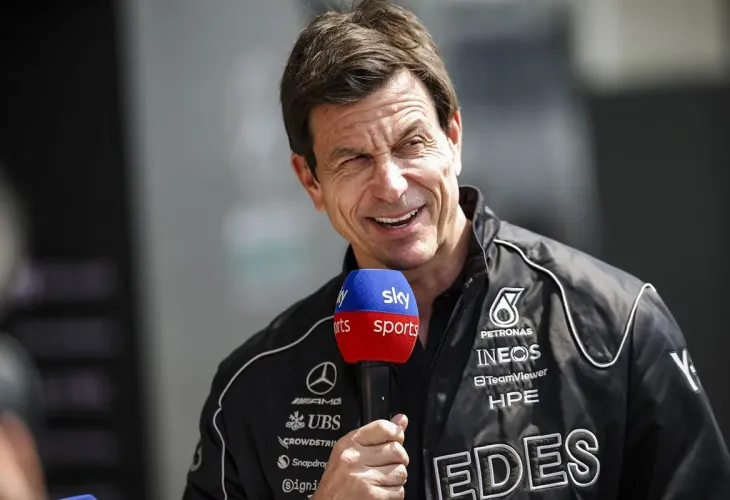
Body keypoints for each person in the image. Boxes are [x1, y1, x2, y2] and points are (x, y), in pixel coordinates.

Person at [183, 1, 730, 498]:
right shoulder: (253, 390)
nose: (391, 185)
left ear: (453, 138)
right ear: (311, 181)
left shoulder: (613, 324)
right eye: (354, 159)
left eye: (411, 143)